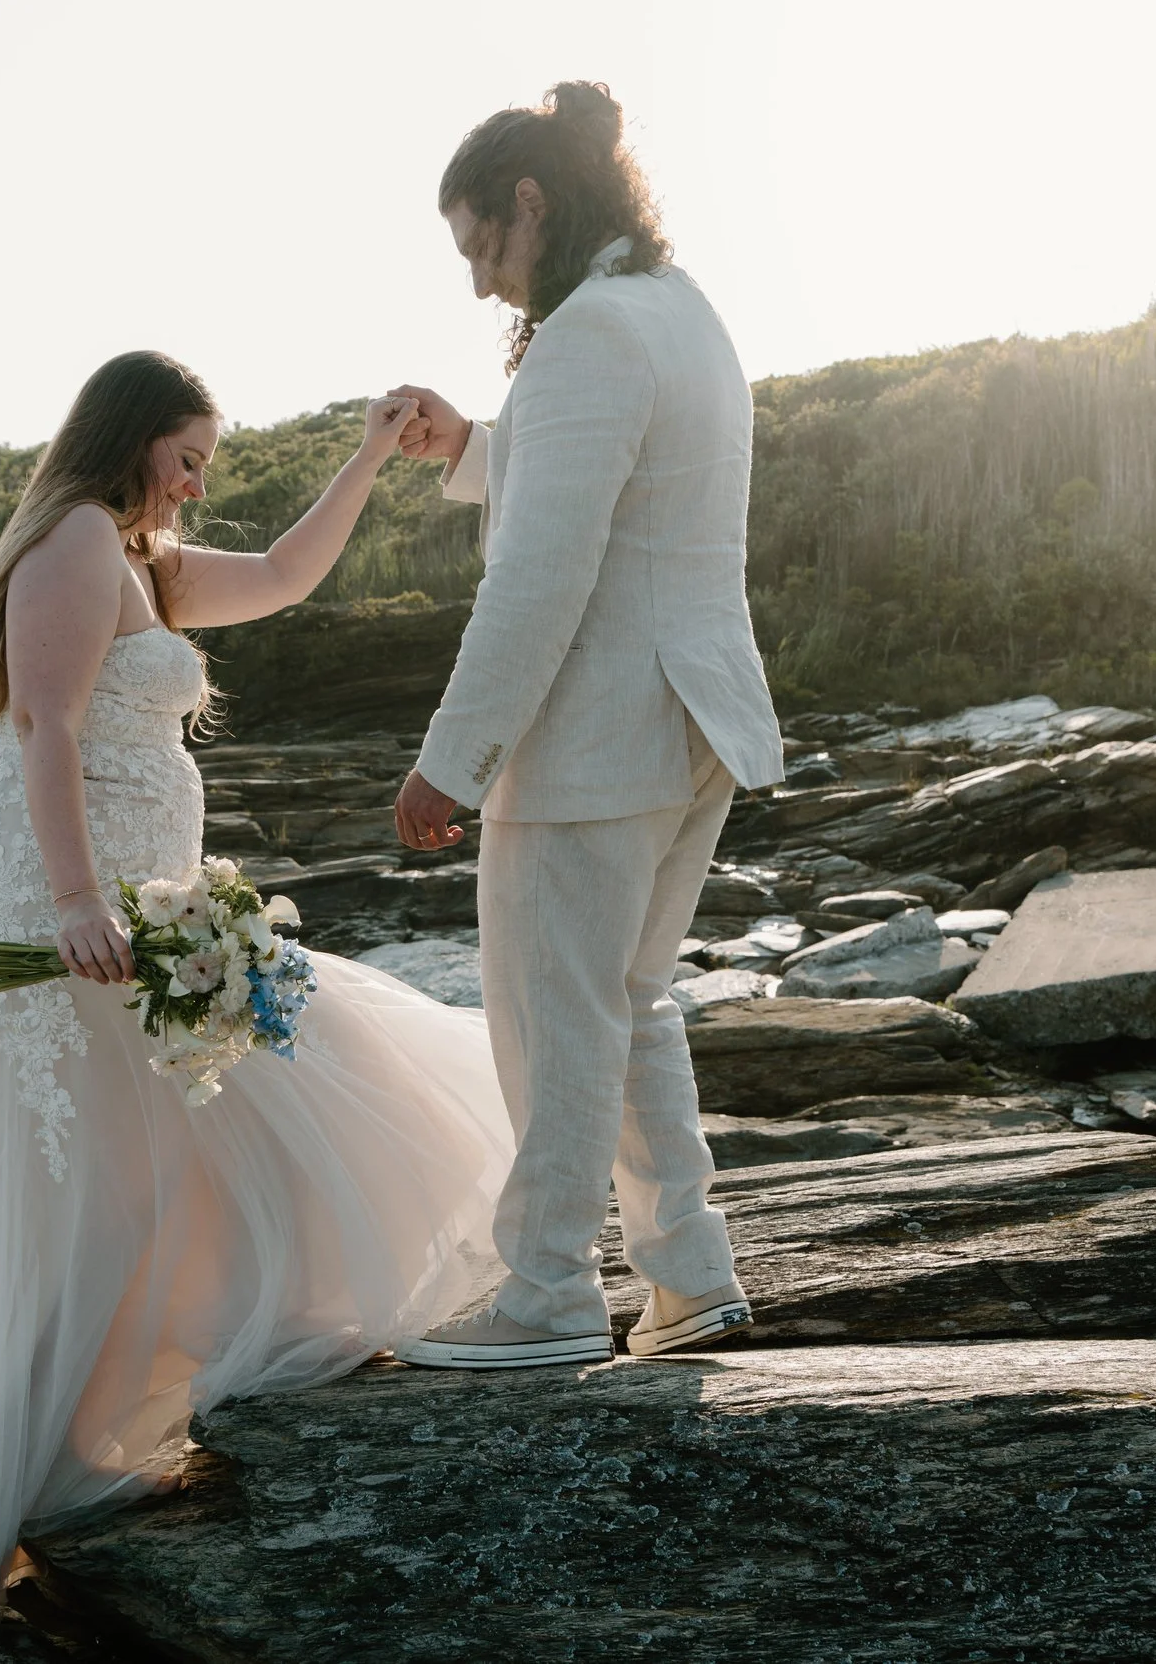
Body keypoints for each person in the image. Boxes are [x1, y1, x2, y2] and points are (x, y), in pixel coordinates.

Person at [0, 352, 515, 1643]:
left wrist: (367, 453)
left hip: (146, 901)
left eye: (207, 462)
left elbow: (291, 578)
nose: (198, 480)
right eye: (186, 454)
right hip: (65, 904)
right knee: (92, 1169)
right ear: (129, 439)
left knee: (170, 1147)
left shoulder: (144, 557)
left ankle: (137, 1414)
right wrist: (82, 902)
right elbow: (51, 730)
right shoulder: (76, 540)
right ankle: (80, 1444)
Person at [383, 81, 786, 1370]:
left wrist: (451, 762)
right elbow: (620, 474)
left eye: (480, 246)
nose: (481, 283)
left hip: (601, 737)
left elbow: (542, 577)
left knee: (556, 1021)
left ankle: (550, 1291)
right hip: (693, 721)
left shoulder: (588, 333)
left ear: (531, 203)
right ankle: (689, 1278)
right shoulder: (679, 311)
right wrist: (474, 448)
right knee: (628, 1004)